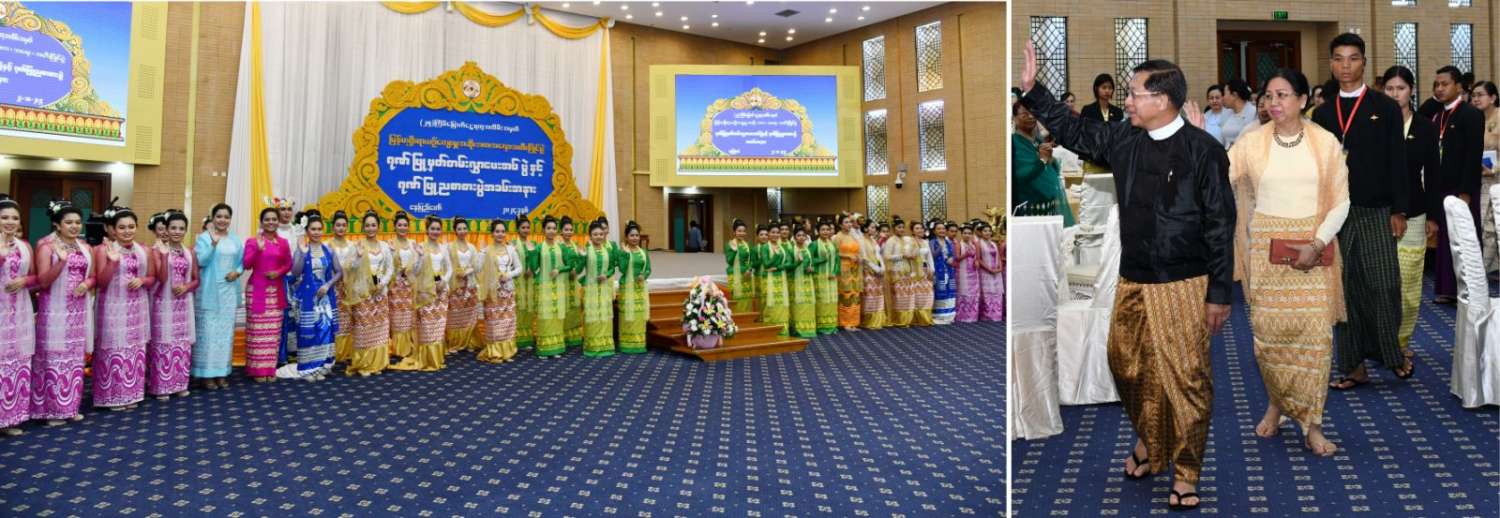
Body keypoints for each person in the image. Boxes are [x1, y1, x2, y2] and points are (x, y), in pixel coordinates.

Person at [1021, 42, 1235, 511]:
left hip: (1184, 281)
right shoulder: (1124, 140)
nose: (1128, 101)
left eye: (1136, 93)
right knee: (1126, 365)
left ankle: (1186, 470)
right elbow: (1075, 130)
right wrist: (1034, 91)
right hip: (1133, 277)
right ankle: (1151, 437)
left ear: (1163, 100)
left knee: (1187, 378)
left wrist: (1220, 292)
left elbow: (1221, 224)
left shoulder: (1203, 150)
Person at [1229, 67, 1350, 457]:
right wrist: (1193, 139)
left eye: (1282, 95)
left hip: (1314, 250)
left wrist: (1317, 242)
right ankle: (1277, 402)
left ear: (1302, 99)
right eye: (1268, 95)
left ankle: (1313, 425)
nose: (1273, 102)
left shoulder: (1325, 142)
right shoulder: (1251, 142)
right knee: (1269, 338)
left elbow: (1341, 201)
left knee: (1315, 341)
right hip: (1267, 251)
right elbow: (1217, 175)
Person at [1309, 33, 1412, 387]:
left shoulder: (1385, 107)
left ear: (1364, 63)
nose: (1346, 66)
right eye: (1339, 59)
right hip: (1336, 214)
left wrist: (1399, 210)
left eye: (1353, 58)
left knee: (1384, 285)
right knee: (1345, 290)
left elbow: (1398, 161)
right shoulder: (1322, 113)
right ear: (1331, 64)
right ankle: (1353, 366)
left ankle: (1392, 354)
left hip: (1377, 209)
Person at [1382, 66, 1439, 371]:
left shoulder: (1425, 127)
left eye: (1400, 88)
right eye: (1389, 89)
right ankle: (1381, 341)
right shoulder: (1375, 124)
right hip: (1379, 213)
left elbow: (1434, 174)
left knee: (1408, 283)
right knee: (1380, 284)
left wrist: (1434, 216)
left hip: (1416, 212)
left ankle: (1401, 341)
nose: (1395, 94)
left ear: (1412, 91)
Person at [1419, 65, 1485, 305]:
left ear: (1458, 86)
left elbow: (1473, 155)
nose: (1439, 88)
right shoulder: (1438, 114)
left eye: (1445, 84)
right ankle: (1447, 288)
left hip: (1462, 188)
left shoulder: (1470, 114)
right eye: (1436, 85)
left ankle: (1468, 290)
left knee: (1464, 240)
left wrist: (1466, 192)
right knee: (1445, 240)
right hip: (1441, 187)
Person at [31, 201, 94, 426]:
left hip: (78, 311)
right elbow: (43, 282)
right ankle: (51, 411)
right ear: (57, 224)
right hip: (54, 312)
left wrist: (87, 283)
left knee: (74, 360)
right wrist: (61, 262)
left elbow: (94, 276)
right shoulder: (46, 246)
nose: (74, 226)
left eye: (77, 222)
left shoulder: (84, 247)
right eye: (69, 222)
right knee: (53, 359)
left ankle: (69, 407)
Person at [93, 207, 157, 410]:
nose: (127, 231)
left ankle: (131, 394)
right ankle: (112, 396)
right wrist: (112, 262)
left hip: (137, 307)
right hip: (112, 307)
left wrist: (142, 280)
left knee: (134, 349)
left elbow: (152, 278)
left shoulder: (144, 250)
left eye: (131, 226)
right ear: (113, 229)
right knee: (113, 348)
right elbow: (101, 282)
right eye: (122, 227)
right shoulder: (102, 250)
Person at [281, 211, 340, 381]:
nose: (316, 232)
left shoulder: (329, 250)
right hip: (307, 299)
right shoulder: (302, 250)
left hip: (325, 300)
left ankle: (322, 366)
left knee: (325, 331)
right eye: (313, 229)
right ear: (307, 231)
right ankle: (308, 368)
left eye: (319, 229)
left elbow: (339, 272)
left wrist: (328, 285)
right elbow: (296, 272)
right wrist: (301, 252)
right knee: (308, 333)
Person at [147, 211, 197, 400]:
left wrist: (186, 287)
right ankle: (161, 386)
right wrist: (164, 255)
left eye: (181, 228)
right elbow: (161, 278)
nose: (177, 231)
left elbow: (196, 280)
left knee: (181, 344)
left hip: (183, 304)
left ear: (186, 230)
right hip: (162, 303)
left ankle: (179, 384)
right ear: (166, 230)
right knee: (163, 343)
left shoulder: (189, 252)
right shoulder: (156, 250)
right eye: (173, 228)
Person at [393, 216, 452, 371]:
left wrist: (444, 281)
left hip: (441, 291)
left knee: (438, 326)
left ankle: (436, 359)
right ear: (427, 230)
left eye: (438, 229)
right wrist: (419, 256)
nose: (435, 231)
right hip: (425, 292)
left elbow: (450, 269)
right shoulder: (419, 247)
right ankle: (426, 359)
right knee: (427, 327)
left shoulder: (443, 248)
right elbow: (415, 271)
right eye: (432, 229)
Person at [193, 203, 241, 389]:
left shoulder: (235, 239)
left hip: (229, 292)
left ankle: (222, 372)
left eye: (226, 217)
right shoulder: (204, 238)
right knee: (209, 333)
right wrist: (213, 244)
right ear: (212, 218)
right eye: (219, 216)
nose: (222, 220)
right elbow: (201, 261)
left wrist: (237, 272)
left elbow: (241, 262)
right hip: (209, 291)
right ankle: (206, 374)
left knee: (225, 334)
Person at [242, 207, 293, 383]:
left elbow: (288, 264)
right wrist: (257, 249)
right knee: (257, 331)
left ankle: (269, 369)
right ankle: (257, 370)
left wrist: (278, 272)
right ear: (261, 222)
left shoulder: (283, 243)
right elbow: (246, 264)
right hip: (257, 289)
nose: (271, 222)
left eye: (274, 219)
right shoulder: (252, 241)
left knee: (273, 332)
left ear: (278, 222)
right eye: (267, 219)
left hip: (276, 291)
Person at [0, 195, 34, 435]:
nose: (10, 222)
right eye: (4, 217)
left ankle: (9, 418)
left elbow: (38, 278)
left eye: (14, 218)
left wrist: (25, 280)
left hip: (18, 312)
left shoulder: (24, 246)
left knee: (14, 362)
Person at [346, 211, 392, 376]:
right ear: (363, 227)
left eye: (373, 225)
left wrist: (382, 283)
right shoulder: (357, 246)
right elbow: (350, 269)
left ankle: (377, 363)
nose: (370, 228)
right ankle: (364, 363)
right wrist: (358, 258)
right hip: (363, 293)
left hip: (379, 293)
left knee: (379, 328)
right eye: (367, 225)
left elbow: (390, 268)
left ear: (378, 226)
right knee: (363, 329)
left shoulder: (384, 246)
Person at [476, 219, 523, 363]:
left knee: (508, 322)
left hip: (508, 291)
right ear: (492, 233)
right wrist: (492, 277)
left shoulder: (511, 250)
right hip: (493, 293)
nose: (500, 234)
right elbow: (478, 270)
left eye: (503, 231)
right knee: (494, 323)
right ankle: (494, 352)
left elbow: (519, 268)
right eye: (497, 231)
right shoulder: (485, 251)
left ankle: (507, 352)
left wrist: (508, 275)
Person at [1471, 80, 1500, 277]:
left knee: (1494, 224)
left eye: (1480, 95)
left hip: (1498, 178)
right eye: (1473, 95)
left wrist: (1495, 169)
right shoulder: (1474, 119)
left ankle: (1483, 270)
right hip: (1481, 180)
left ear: (1493, 97)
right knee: (1485, 225)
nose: (1475, 99)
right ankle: (1487, 268)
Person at [579, 220, 618, 357]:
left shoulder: (608, 249)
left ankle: (606, 346)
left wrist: (606, 275)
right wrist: (581, 256)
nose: (599, 237)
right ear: (590, 236)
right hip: (591, 289)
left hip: (604, 288)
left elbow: (612, 268)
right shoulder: (587, 249)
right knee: (593, 316)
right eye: (595, 234)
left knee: (605, 316)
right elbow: (579, 269)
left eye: (601, 234)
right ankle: (592, 346)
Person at [533, 216, 569, 358]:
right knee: (544, 317)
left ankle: (555, 348)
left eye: (554, 228)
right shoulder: (539, 247)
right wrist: (531, 253)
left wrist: (559, 270)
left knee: (556, 317)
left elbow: (569, 265)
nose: (552, 231)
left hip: (558, 287)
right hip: (544, 287)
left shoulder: (561, 247)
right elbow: (534, 267)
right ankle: (544, 348)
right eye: (549, 228)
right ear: (543, 230)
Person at [445, 218, 482, 354]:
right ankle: (454, 342)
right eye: (459, 229)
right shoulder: (449, 247)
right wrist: (457, 272)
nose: (462, 231)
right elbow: (446, 265)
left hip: (470, 284)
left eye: (464, 228)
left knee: (469, 313)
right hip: (455, 285)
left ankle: (470, 341)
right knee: (454, 314)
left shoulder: (472, 247)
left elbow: (477, 266)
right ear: (455, 231)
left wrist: (467, 272)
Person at [616, 221, 652, 354]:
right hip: (627, 287)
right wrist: (625, 254)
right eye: (632, 235)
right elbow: (622, 269)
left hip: (640, 288)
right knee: (628, 315)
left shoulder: (643, 252)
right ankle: (627, 344)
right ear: (626, 237)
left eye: (637, 235)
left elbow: (648, 269)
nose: (635, 238)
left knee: (639, 316)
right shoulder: (622, 252)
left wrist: (644, 275)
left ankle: (639, 343)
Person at [326, 211, 357, 364]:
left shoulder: (352, 245)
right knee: (335, 317)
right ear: (333, 227)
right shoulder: (327, 245)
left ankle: (347, 351)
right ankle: (334, 352)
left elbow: (356, 266)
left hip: (348, 287)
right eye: (338, 225)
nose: (341, 228)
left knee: (348, 319)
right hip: (333, 287)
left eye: (344, 225)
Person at [759, 222, 791, 335]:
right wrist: (776, 256)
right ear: (768, 233)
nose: (775, 235)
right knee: (770, 304)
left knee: (781, 304)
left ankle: (783, 330)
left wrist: (778, 267)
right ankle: (770, 330)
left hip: (781, 280)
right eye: (773, 232)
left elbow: (788, 263)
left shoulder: (782, 247)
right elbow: (766, 264)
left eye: (777, 232)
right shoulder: (764, 247)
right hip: (768, 280)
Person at [833, 214, 863, 331]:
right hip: (844, 268)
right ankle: (845, 322)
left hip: (855, 268)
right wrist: (848, 256)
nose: (849, 224)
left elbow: (858, 249)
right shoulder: (838, 237)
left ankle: (854, 322)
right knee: (846, 293)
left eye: (850, 222)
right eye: (846, 222)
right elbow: (835, 253)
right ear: (840, 225)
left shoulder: (853, 236)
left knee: (855, 293)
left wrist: (859, 257)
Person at [883, 216, 914, 327]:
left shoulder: (906, 240)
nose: (901, 229)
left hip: (906, 270)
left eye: (903, 227)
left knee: (907, 296)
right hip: (896, 271)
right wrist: (902, 256)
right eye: (899, 227)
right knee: (898, 297)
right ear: (893, 229)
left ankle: (906, 320)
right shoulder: (891, 241)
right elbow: (886, 256)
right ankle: (898, 319)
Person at [512, 215, 537, 351]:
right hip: (517, 281)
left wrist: (532, 270)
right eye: (523, 227)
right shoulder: (512, 245)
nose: (526, 230)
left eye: (528, 227)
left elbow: (538, 263)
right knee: (518, 309)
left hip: (530, 281)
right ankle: (515, 338)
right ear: (518, 229)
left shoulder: (533, 244)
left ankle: (526, 339)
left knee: (528, 309)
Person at [788, 226, 818, 338]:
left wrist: (812, 269)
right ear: (794, 237)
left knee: (808, 304)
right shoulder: (791, 249)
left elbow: (812, 264)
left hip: (808, 281)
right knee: (798, 305)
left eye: (803, 235)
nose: (801, 237)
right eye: (798, 235)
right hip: (795, 281)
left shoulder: (808, 249)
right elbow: (788, 267)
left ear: (806, 237)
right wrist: (797, 263)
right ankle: (798, 329)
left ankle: (809, 329)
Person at [812, 219, 840, 334]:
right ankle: (821, 326)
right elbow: (809, 260)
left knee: (831, 300)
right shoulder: (814, 244)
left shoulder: (833, 244)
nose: (825, 232)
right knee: (822, 301)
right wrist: (821, 260)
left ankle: (831, 325)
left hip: (831, 277)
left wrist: (835, 272)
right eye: (822, 229)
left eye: (827, 229)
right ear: (818, 231)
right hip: (819, 277)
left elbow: (837, 261)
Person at [560, 217, 584, 349]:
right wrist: (568, 271)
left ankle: (574, 335)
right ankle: (562, 335)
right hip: (563, 280)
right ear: (561, 231)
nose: (569, 232)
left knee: (574, 307)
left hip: (574, 281)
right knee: (564, 307)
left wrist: (576, 271)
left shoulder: (576, 245)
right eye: (566, 230)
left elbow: (580, 263)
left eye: (570, 230)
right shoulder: (558, 246)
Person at [859, 218, 886, 330]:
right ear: (865, 229)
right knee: (869, 297)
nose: (875, 229)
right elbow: (864, 259)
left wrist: (882, 268)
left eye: (875, 227)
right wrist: (876, 269)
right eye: (872, 227)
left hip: (877, 272)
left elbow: (878, 255)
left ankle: (878, 320)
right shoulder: (861, 241)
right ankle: (869, 321)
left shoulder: (873, 240)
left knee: (878, 296)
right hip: (868, 272)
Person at [725, 219, 756, 314]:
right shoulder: (729, 244)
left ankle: (746, 319)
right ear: (734, 232)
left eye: (743, 231)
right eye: (739, 231)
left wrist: (749, 270)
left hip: (746, 275)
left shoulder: (748, 245)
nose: (742, 233)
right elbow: (729, 261)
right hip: (734, 275)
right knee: (736, 299)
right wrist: (734, 250)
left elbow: (752, 260)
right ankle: (736, 319)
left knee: (746, 300)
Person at [929, 220, 957, 325]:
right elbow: (932, 255)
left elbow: (952, 254)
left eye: (943, 228)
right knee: (940, 290)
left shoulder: (948, 242)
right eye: (939, 229)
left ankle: (949, 315)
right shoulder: (932, 242)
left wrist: (952, 259)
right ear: (934, 231)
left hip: (949, 269)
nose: (942, 230)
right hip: (938, 270)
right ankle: (939, 316)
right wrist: (939, 247)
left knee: (950, 290)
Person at [976, 222, 1004, 322]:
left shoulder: (994, 244)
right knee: (987, 293)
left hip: (996, 272)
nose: (987, 233)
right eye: (985, 231)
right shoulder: (979, 243)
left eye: (989, 231)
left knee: (997, 292)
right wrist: (989, 269)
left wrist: (1000, 268)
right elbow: (978, 259)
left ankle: (997, 314)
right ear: (981, 233)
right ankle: (987, 315)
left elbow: (999, 257)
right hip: (985, 272)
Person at [953, 224, 980, 323]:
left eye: (969, 233)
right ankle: (962, 316)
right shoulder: (958, 244)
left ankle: (972, 316)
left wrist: (976, 261)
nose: (967, 235)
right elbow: (956, 258)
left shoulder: (974, 244)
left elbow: (977, 257)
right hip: (962, 272)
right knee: (963, 292)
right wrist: (966, 254)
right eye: (965, 233)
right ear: (961, 234)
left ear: (972, 234)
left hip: (973, 272)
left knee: (973, 293)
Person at [911, 220, 935, 327]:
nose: (920, 230)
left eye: (921, 228)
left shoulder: (925, 242)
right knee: (917, 296)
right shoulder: (910, 242)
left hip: (925, 270)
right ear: (912, 231)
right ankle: (916, 319)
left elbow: (929, 257)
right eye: (917, 228)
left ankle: (926, 318)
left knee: (928, 295)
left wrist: (932, 270)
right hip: (914, 271)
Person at [1220, 78, 1257, 149]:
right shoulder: (1226, 113)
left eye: (1224, 94)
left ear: (1234, 95)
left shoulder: (1254, 112)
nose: (1223, 98)